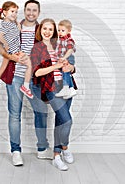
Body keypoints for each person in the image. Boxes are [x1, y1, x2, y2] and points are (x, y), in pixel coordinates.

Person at [0, 0, 53, 166]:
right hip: (15, 77)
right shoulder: (14, 26)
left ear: (38, 13)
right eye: (28, 10)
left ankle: (42, 149)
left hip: (35, 77)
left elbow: (53, 49)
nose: (31, 13)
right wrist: (11, 57)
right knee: (15, 114)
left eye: (35, 10)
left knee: (41, 112)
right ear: (24, 11)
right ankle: (16, 151)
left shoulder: (42, 30)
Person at [31, 18, 75, 171]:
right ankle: (65, 146)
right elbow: (37, 72)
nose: (47, 32)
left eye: (51, 29)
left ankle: (57, 156)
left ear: (54, 31)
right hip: (51, 88)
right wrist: (55, 66)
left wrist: (71, 67)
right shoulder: (37, 48)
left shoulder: (59, 44)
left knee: (61, 121)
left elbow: (72, 62)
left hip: (66, 86)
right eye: (45, 29)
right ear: (40, 30)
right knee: (67, 121)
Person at [0, 1, 33, 99]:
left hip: (14, 49)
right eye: (12, 11)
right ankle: (25, 86)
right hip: (13, 50)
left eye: (16, 12)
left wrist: (16, 21)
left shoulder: (11, 23)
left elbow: (19, 30)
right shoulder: (6, 24)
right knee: (29, 64)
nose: (14, 14)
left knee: (3, 67)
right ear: (4, 12)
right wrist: (5, 43)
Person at [55, 19, 77, 99]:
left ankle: (66, 87)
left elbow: (70, 50)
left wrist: (64, 58)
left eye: (63, 30)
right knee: (66, 73)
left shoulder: (68, 40)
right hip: (64, 58)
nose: (60, 32)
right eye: (59, 30)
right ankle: (71, 89)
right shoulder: (60, 40)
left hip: (68, 57)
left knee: (65, 71)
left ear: (69, 31)